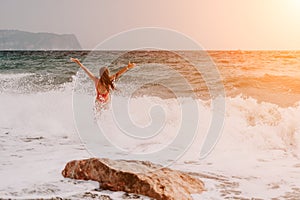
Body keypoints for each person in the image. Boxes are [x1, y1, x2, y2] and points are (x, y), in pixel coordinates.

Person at [70, 57, 135, 103]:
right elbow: (118, 73)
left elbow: (86, 71)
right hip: (106, 101)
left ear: (100, 74)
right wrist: (127, 67)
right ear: (107, 73)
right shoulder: (109, 79)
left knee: (96, 117)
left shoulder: (96, 80)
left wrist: (79, 63)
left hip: (98, 101)